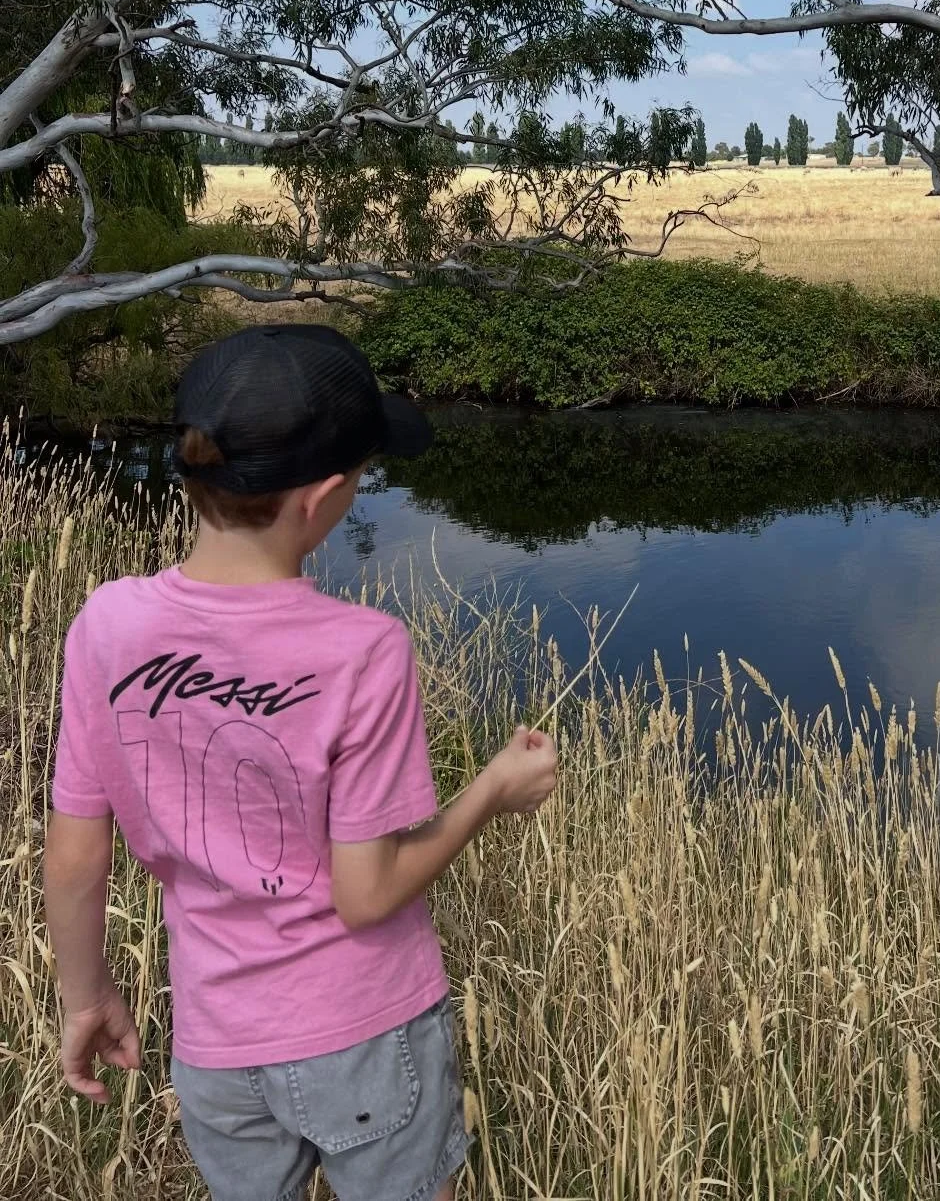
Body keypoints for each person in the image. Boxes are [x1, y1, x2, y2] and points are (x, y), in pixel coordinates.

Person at [43, 323, 558, 1201]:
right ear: (317, 499)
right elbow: (367, 894)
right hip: (362, 1031)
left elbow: (74, 852)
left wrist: (83, 998)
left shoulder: (107, 625)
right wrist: (489, 793)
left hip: (214, 1049)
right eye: (360, 479)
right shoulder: (363, 651)